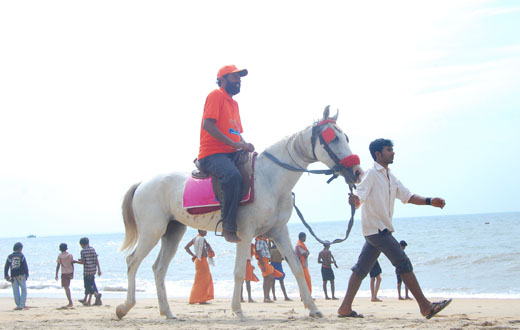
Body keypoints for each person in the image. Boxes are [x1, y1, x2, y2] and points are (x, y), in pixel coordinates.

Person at [338, 138, 452, 319]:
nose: (393, 152)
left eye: (392, 149)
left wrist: (430, 201)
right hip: (378, 231)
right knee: (403, 263)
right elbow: (360, 195)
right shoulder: (371, 175)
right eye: (389, 150)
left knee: (360, 269)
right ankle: (425, 306)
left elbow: (408, 196)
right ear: (378, 154)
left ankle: (345, 308)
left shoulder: (391, 177)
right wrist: (355, 201)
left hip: (376, 232)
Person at [197, 64, 255, 243]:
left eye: (239, 78)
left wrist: (245, 145)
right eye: (234, 77)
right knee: (232, 176)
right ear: (222, 79)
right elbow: (208, 125)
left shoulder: (234, 103)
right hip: (212, 153)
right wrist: (232, 143)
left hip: (231, 153)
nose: (238, 81)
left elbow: (236, 132)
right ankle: (228, 227)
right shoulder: (216, 96)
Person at [185, 230, 215, 304]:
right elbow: (186, 247)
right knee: (204, 280)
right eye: (205, 230)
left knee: (200, 280)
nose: (206, 232)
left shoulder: (195, 238)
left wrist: (194, 255)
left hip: (199, 261)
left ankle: (197, 299)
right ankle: (201, 299)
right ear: (200, 231)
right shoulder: (201, 238)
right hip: (202, 261)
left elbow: (186, 247)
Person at [75, 237, 102, 306]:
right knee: (91, 285)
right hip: (93, 270)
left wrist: (75, 262)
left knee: (87, 286)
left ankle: (96, 294)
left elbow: (84, 262)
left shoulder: (83, 251)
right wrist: (99, 269)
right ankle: (88, 300)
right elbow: (96, 260)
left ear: (82, 244)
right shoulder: (92, 249)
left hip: (87, 270)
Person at [255, 235, 282, 303]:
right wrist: (262, 264)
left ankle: (267, 297)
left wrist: (269, 242)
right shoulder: (259, 240)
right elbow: (258, 252)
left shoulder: (264, 240)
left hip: (266, 260)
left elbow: (268, 249)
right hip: (263, 261)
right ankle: (266, 297)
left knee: (267, 278)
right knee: (270, 277)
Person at [4, 242, 29, 310]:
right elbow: (25, 266)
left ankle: (19, 305)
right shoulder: (21, 256)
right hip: (21, 275)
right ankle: (22, 305)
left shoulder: (10, 256)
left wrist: (6, 275)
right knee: (24, 290)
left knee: (15, 291)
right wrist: (27, 274)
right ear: (20, 249)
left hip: (13, 276)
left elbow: (6, 266)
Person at [55, 243, 74, 308]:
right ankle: (70, 302)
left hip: (64, 273)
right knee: (67, 287)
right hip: (70, 272)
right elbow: (72, 264)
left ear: (60, 249)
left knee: (66, 287)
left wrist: (56, 274)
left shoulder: (60, 256)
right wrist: (72, 273)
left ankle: (70, 302)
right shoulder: (70, 255)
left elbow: (58, 266)